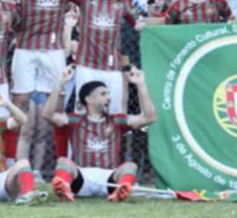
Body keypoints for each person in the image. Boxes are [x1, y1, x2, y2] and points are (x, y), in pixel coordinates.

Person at [6, 0, 84, 164]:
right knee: (19, 104)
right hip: (25, 49)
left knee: (55, 108)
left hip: (54, 51)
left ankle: (57, 164)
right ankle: (13, 161)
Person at [43, 65, 158, 202]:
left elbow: (150, 117)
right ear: (89, 99)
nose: (108, 98)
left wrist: (141, 85)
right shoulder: (75, 120)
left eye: (108, 94)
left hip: (109, 178)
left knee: (130, 166)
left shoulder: (117, 121)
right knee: (63, 162)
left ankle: (119, 191)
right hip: (82, 177)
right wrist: (60, 84)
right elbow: (47, 114)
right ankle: (64, 187)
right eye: (103, 94)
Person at [71, 0, 141, 114]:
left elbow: (139, 22)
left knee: (113, 112)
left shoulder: (123, 2)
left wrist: (138, 19)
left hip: (113, 67)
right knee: (84, 110)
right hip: (86, 65)